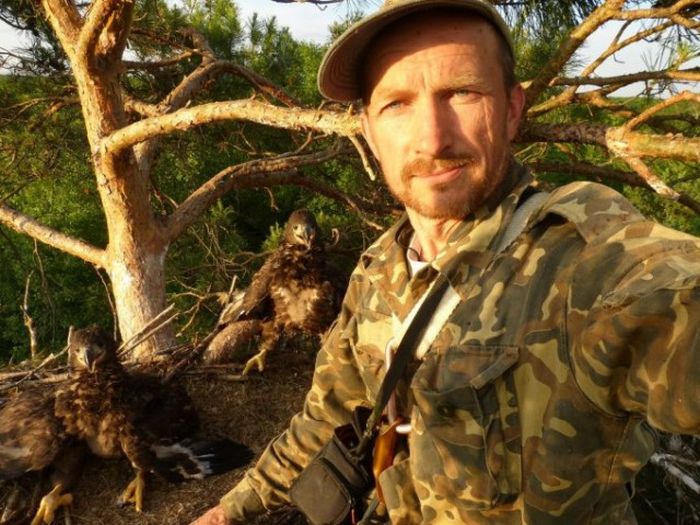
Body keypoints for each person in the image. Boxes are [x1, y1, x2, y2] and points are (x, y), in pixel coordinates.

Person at [191, 0, 700, 523]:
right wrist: (229, 510)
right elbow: (326, 416)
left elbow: (669, 301)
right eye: (397, 104)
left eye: (462, 93)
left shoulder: (577, 260)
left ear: (512, 110)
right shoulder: (378, 269)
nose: (433, 139)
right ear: (369, 131)